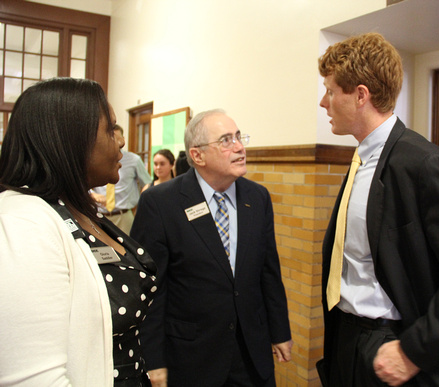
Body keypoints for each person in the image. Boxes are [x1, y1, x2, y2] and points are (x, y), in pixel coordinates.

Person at [317, 33, 439, 387]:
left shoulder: (423, 163)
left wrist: (413, 351)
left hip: (399, 348)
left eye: (330, 91)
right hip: (351, 343)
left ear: (360, 95)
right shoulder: (363, 156)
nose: (323, 102)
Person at [0, 77, 157, 386]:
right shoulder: (24, 224)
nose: (122, 141)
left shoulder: (78, 209)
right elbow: (34, 379)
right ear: (71, 140)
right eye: (111, 129)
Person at [131, 109, 293, 386]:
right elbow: (150, 289)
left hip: (250, 354)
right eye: (226, 140)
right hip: (192, 358)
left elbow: (268, 271)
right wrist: (152, 359)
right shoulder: (161, 203)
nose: (240, 147)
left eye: (239, 137)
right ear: (198, 156)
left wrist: (280, 331)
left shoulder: (257, 197)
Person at [91, 125, 151, 234]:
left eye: (117, 138)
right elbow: (84, 183)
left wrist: (142, 203)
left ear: (123, 140)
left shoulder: (134, 160)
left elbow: (147, 182)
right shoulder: (96, 159)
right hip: (101, 216)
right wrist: (93, 195)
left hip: (124, 216)